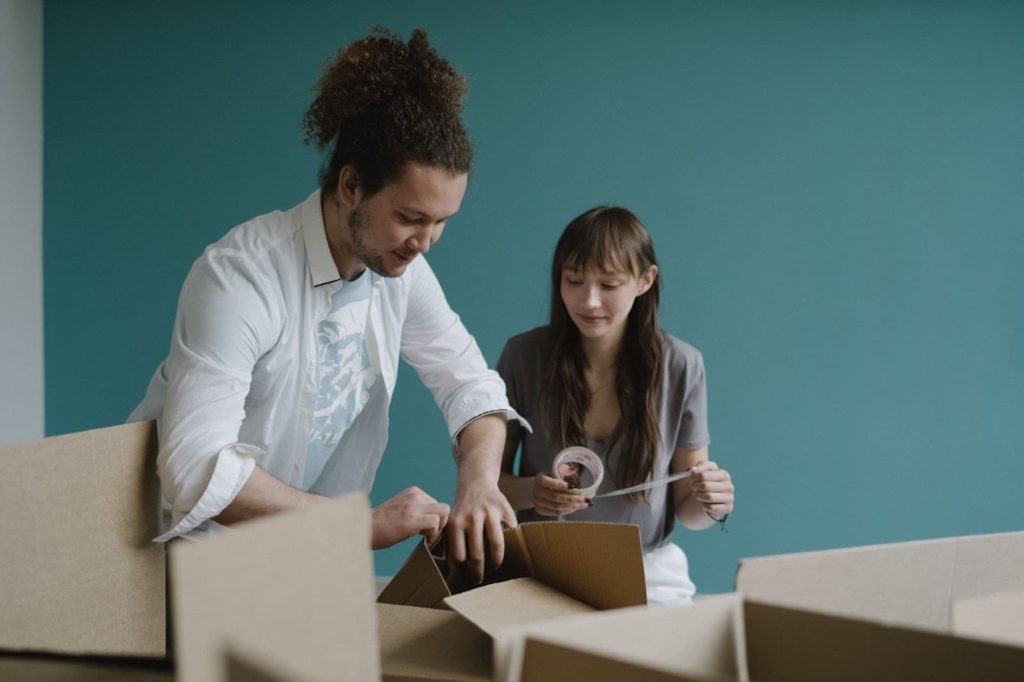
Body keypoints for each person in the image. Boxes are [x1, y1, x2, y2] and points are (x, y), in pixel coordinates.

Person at [129, 28, 525, 581]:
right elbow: (197, 467)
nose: (426, 241)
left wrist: (480, 481)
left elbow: (471, 386)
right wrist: (357, 525)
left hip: (298, 562)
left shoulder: (403, 271)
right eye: (411, 217)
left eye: (441, 223)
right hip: (179, 563)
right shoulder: (240, 275)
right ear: (351, 186)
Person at [496, 206, 735, 603]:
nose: (588, 301)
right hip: (541, 566)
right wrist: (532, 493)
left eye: (609, 285)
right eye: (574, 281)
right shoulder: (522, 357)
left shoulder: (682, 366)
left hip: (646, 570)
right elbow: (487, 484)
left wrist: (713, 501)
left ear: (645, 281)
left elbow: (689, 511)